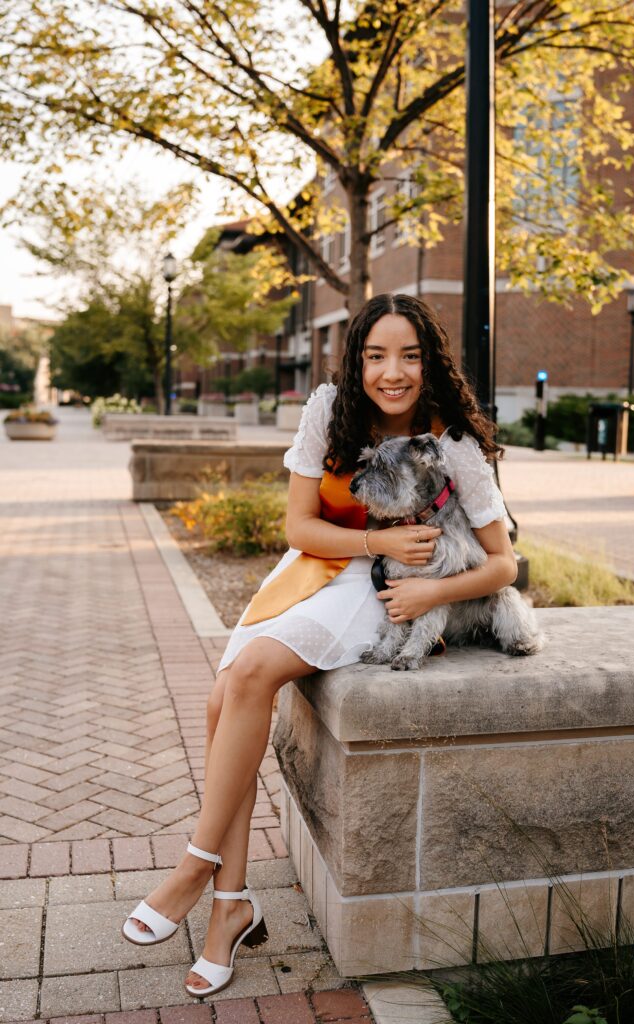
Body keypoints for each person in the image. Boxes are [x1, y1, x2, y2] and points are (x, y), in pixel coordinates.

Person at [121, 292, 517, 996]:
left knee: (245, 683)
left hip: (380, 591)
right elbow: (299, 528)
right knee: (226, 697)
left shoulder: (451, 441)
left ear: (429, 363)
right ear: (355, 359)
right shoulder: (326, 410)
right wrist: (375, 535)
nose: (390, 372)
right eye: (375, 356)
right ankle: (229, 904)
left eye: (408, 356)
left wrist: (429, 592)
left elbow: (502, 564)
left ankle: (196, 868)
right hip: (317, 565)